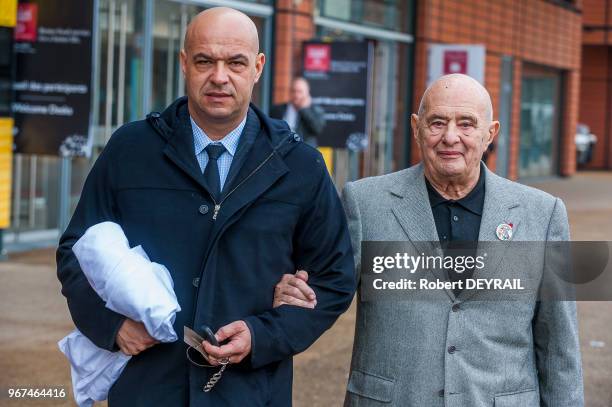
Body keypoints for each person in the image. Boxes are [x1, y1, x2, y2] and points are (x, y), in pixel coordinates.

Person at [56, 7, 356, 406]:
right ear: (184, 64)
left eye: (235, 62)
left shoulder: (300, 165)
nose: (219, 76)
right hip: (147, 389)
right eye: (204, 61)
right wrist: (111, 326)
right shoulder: (130, 151)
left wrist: (264, 335)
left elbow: (333, 278)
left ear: (258, 67)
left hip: (249, 392)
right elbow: (75, 251)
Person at [275, 74, 584, 406]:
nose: (450, 137)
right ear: (416, 127)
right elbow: (328, 289)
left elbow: (558, 346)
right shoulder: (366, 203)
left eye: (466, 124)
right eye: (437, 122)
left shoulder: (542, 213)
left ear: (490, 133)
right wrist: (297, 297)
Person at [270, 77, 326, 147]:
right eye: (293, 91)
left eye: (300, 92)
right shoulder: (278, 109)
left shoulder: (316, 110)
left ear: (307, 93)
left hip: (305, 150)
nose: (296, 95)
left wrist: (304, 109)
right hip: (282, 149)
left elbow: (317, 129)